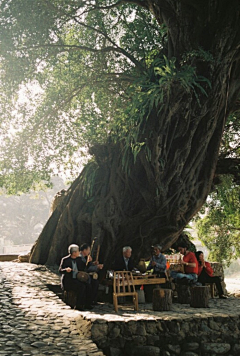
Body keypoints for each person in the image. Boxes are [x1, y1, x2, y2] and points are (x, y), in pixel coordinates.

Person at [59, 244, 92, 311]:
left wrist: (88, 262)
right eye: (77, 251)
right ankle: (78, 305)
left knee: (88, 285)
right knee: (81, 287)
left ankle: (87, 304)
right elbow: (60, 270)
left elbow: (84, 269)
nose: (79, 252)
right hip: (69, 281)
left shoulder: (79, 259)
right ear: (74, 253)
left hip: (77, 278)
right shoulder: (65, 260)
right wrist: (66, 270)